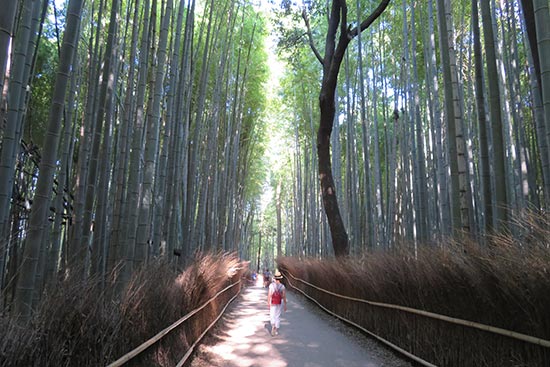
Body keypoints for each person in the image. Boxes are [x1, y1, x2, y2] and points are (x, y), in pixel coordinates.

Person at [267, 270, 287, 336]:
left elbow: (269, 294)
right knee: (277, 315)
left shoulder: (271, 285)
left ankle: (273, 325)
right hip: (279, 302)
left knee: (272, 314)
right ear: (280, 278)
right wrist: (285, 304)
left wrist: (268, 303)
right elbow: (284, 296)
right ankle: (276, 328)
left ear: (275, 278)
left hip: (273, 301)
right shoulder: (282, 286)